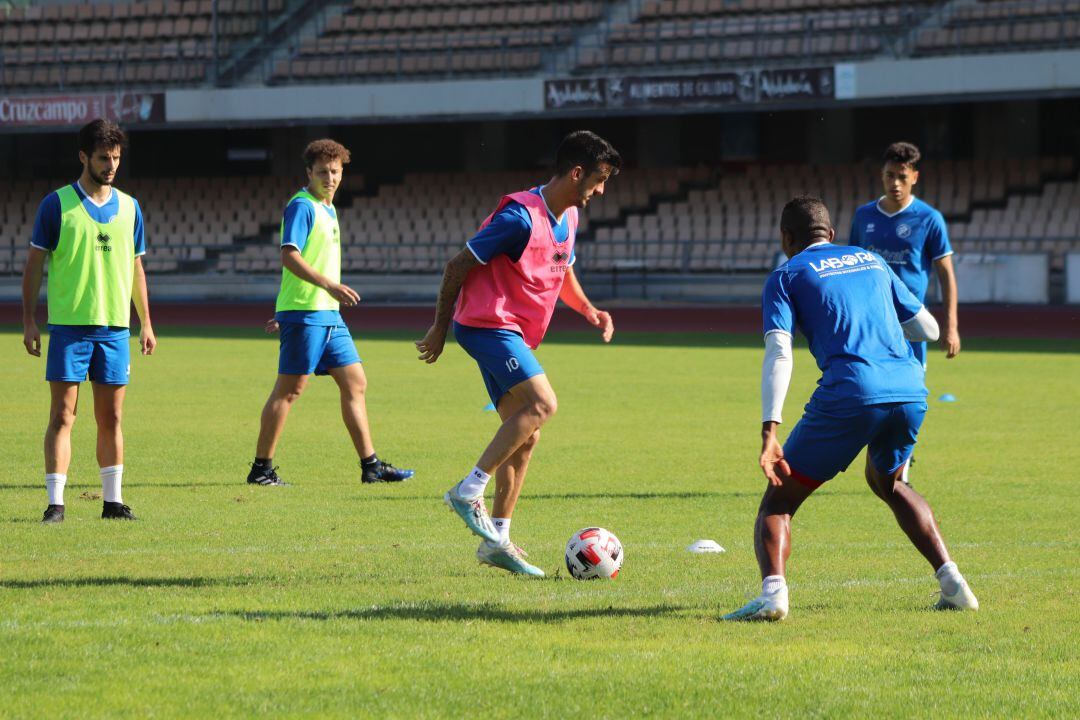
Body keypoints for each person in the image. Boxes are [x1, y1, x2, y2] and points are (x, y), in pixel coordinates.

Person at [723, 196, 978, 621]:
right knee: (889, 483)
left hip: (852, 392)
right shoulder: (870, 260)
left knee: (779, 502)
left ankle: (773, 597)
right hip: (910, 388)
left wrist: (770, 429)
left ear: (786, 238)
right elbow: (929, 329)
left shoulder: (785, 275)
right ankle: (954, 584)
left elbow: (780, 353)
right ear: (833, 235)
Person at [415, 130, 619, 576]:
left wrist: (588, 310)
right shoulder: (519, 217)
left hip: (513, 334)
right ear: (578, 173)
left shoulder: (569, 217)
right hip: (488, 325)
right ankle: (469, 490)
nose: (602, 191)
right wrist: (438, 326)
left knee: (527, 434)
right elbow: (458, 265)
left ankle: (498, 541)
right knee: (543, 404)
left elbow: (561, 269)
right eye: (600, 180)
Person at [247, 139, 413, 487]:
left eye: (335, 171)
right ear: (309, 172)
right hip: (308, 313)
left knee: (355, 382)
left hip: (326, 315)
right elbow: (289, 255)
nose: (330, 177)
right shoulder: (302, 206)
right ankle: (261, 470)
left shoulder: (328, 208)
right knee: (289, 391)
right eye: (322, 171)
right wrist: (322, 290)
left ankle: (371, 467)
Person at [22, 119, 156, 523]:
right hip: (68, 329)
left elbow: (136, 268)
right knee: (63, 416)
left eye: (116, 158)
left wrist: (145, 321)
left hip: (115, 329)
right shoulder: (56, 205)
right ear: (84, 157)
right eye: (103, 157)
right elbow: (33, 266)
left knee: (111, 417)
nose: (111, 165)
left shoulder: (131, 207)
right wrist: (28, 320)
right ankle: (55, 504)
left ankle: (112, 502)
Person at [849, 142, 959, 484]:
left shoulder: (929, 219)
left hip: (911, 326)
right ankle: (889, 457)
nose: (894, 183)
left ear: (914, 177)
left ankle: (902, 469)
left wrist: (951, 327)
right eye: (888, 176)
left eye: (901, 176)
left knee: (910, 394)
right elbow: (852, 267)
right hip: (873, 324)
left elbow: (946, 274)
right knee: (870, 392)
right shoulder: (864, 216)